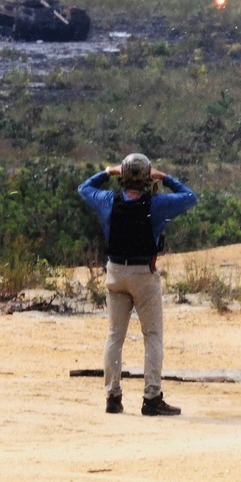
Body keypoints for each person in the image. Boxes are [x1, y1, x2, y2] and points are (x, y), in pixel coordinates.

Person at [78, 153, 198, 416]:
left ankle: (113, 396)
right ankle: (151, 398)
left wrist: (108, 171)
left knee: (115, 337)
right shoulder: (156, 205)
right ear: (147, 178)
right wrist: (165, 177)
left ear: (122, 177)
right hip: (144, 273)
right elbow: (190, 197)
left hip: (115, 272)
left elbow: (84, 188)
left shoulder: (108, 201)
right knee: (152, 336)